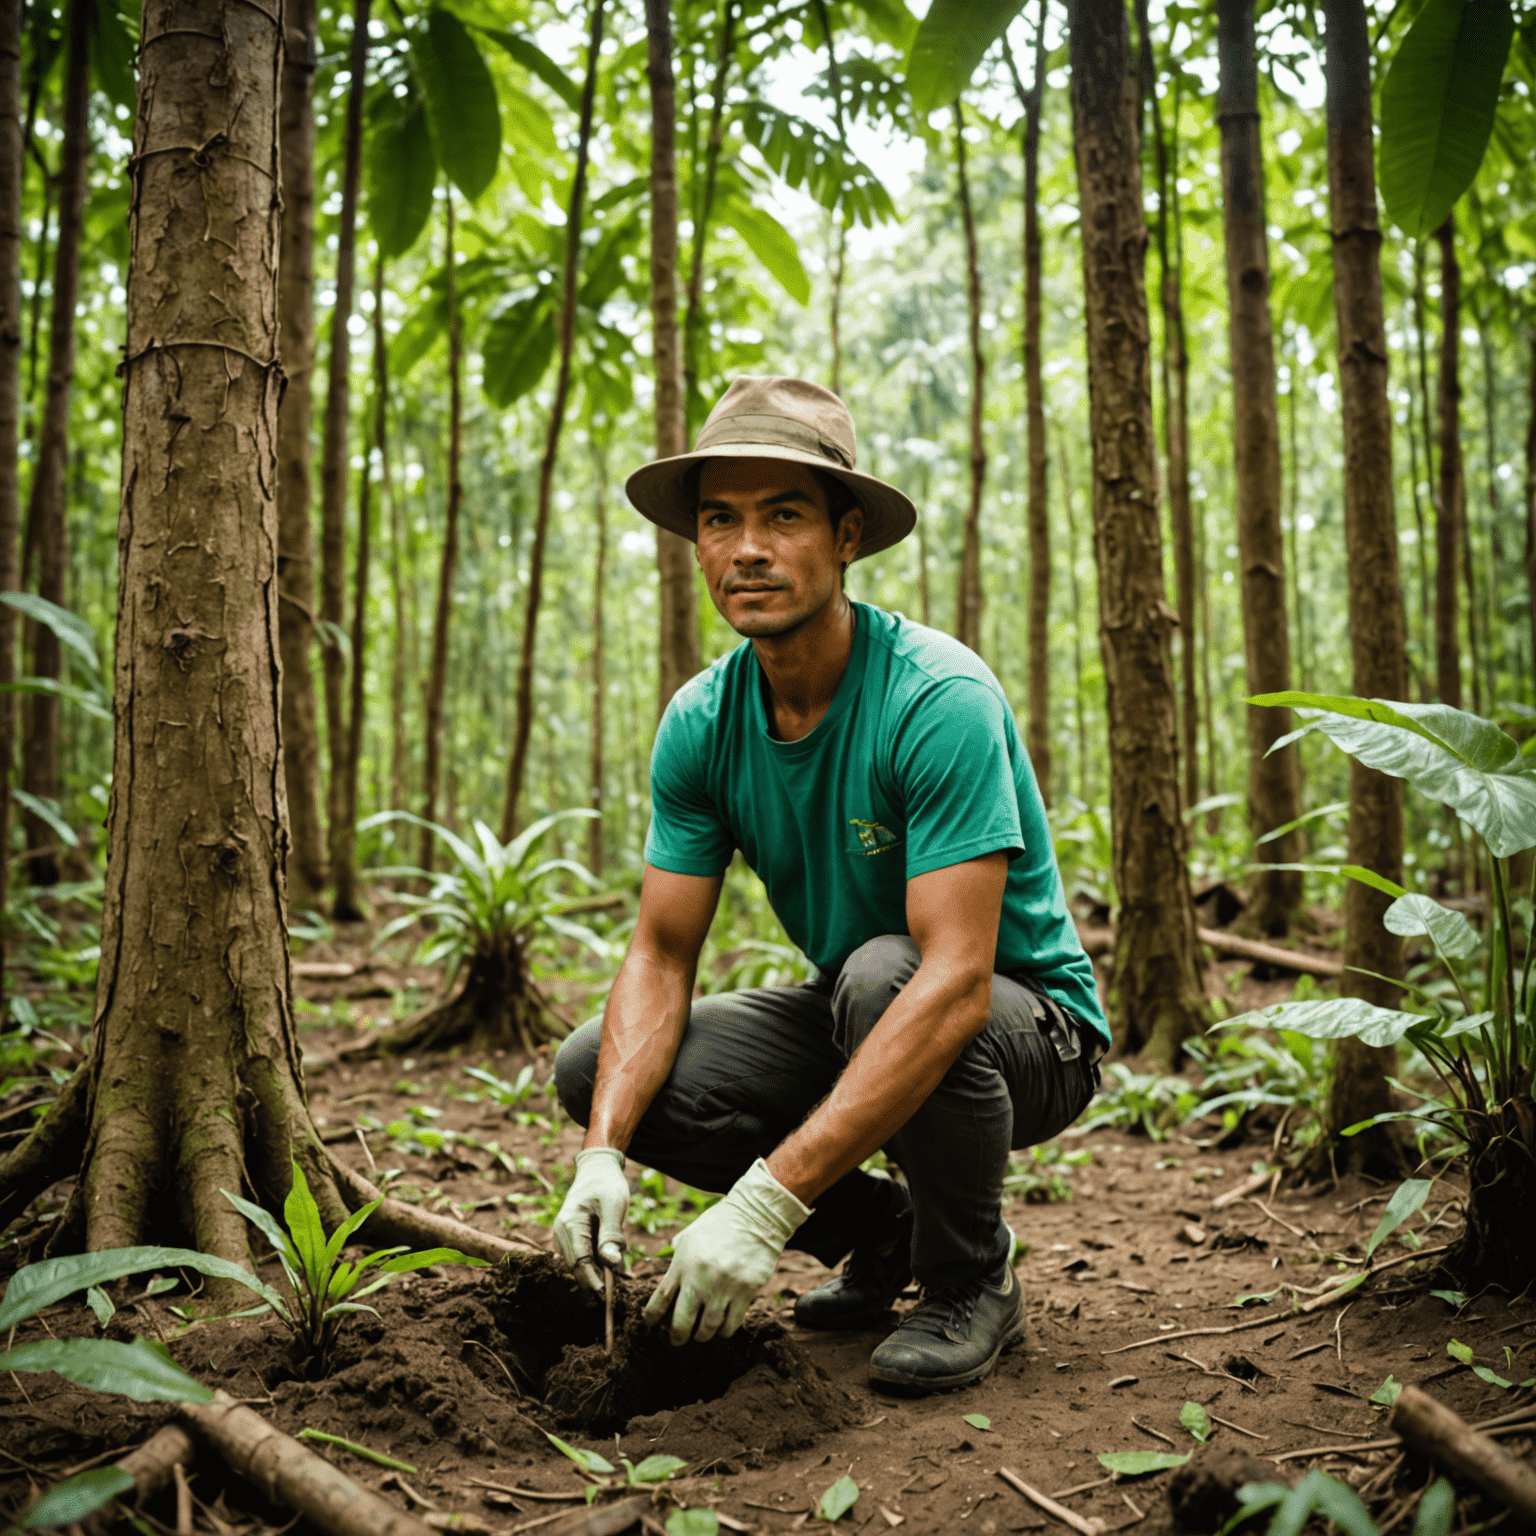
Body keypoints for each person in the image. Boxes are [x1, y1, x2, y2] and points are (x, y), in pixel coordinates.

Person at [550, 376, 1108, 1394]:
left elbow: (954, 979)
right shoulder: (701, 723)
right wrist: (602, 1157)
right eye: (721, 520)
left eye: (785, 516)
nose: (747, 549)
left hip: (1029, 1030)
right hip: (858, 1003)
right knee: (599, 1068)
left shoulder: (935, 696)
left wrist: (765, 1204)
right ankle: (884, 1234)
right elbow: (661, 952)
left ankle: (970, 1277)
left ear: (847, 536)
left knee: (885, 972)